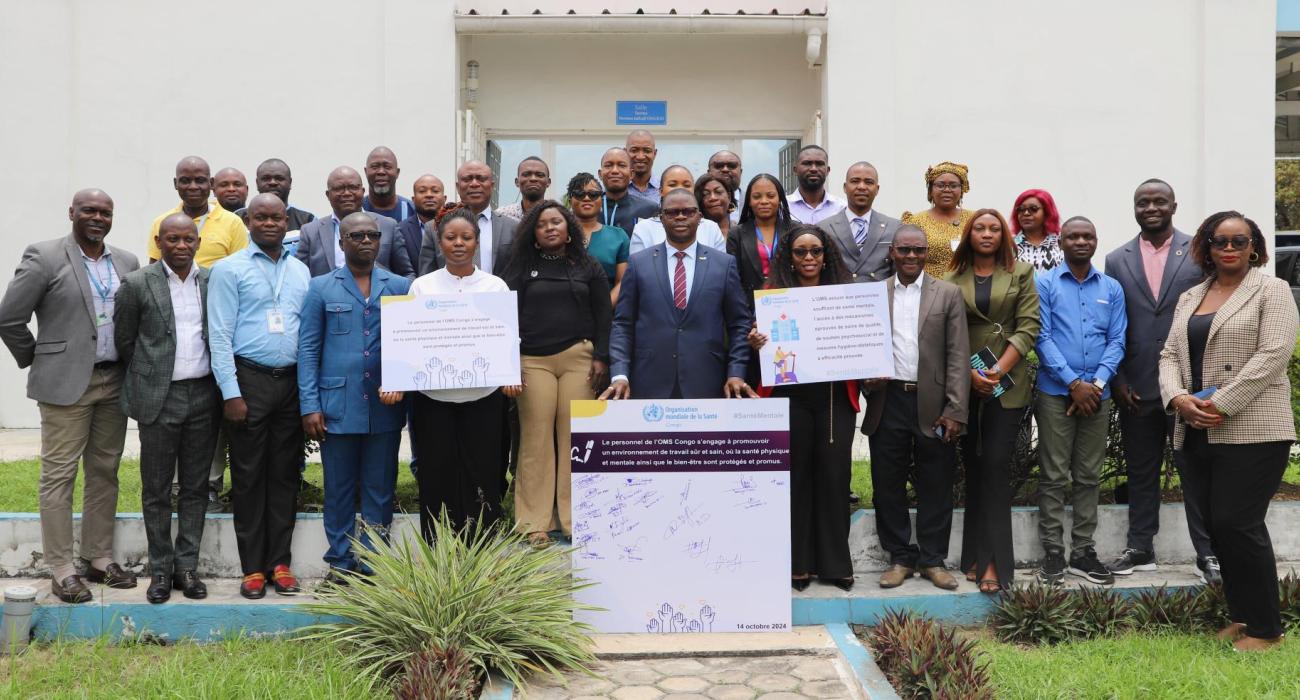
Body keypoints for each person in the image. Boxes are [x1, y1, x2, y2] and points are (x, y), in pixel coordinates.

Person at [1161, 211, 1296, 652]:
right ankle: (1242, 616)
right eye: (1221, 241)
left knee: (1239, 523)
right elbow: (1168, 355)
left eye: (1240, 241)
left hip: (1253, 427)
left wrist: (1218, 404)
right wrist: (1179, 399)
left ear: (1255, 245)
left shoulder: (1271, 289)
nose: (1231, 248)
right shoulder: (1190, 297)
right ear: (1207, 246)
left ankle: (1267, 630)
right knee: (1217, 528)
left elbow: (1273, 355)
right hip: (1195, 426)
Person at [0, 189, 140, 603]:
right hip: (65, 385)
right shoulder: (44, 256)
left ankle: (98, 558)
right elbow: (9, 318)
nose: (98, 217)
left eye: (105, 212)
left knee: (105, 471)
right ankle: (61, 568)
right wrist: (41, 358)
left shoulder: (126, 261)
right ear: (72, 213)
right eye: (89, 211)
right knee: (58, 477)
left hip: (114, 381)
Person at [1103, 179, 1215, 582]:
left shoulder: (1200, 253)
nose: (1150, 207)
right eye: (1142, 202)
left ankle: (1208, 553)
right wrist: (1118, 378)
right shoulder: (1117, 259)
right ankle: (1140, 548)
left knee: (1195, 469)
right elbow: (1113, 324)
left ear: (1174, 206)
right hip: (1137, 385)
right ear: (1134, 208)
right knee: (1140, 469)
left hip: (1188, 385)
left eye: (1159, 201)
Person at [207, 194, 311, 599]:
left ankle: (280, 563)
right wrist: (230, 392)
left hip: (290, 383)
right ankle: (252, 568)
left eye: (276, 217)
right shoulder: (229, 270)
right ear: (247, 221)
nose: (269, 223)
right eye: (260, 217)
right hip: (248, 381)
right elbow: (218, 335)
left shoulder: (301, 271)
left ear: (287, 221)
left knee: (285, 474)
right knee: (249, 476)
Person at [746, 224, 861, 591]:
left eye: (815, 251)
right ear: (789, 258)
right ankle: (797, 564)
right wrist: (756, 342)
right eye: (801, 252)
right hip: (790, 396)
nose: (809, 258)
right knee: (795, 481)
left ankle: (834, 564)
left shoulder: (844, 295)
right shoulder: (774, 297)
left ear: (826, 256)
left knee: (834, 478)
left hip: (833, 399)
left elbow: (861, 346)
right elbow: (764, 355)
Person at [298, 212, 410, 583]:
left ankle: (375, 563)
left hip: (384, 406)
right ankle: (341, 564)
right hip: (336, 406)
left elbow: (409, 349)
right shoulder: (321, 288)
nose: (365, 241)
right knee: (339, 489)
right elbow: (309, 350)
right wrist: (310, 404)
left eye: (372, 235)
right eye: (356, 235)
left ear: (380, 241)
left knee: (380, 487)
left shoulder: (398, 286)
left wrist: (403, 383)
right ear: (341, 242)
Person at [112, 214, 217, 603]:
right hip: (160, 397)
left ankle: (186, 568)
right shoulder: (138, 283)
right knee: (156, 489)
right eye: (172, 239)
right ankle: (160, 570)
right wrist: (149, 377)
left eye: (188, 239)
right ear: (159, 241)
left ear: (198, 242)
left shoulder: (211, 282)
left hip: (205, 396)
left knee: (195, 487)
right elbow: (125, 341)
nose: (181, 246)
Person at [860, 225, 969, 591]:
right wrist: (865, 379)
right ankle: (900, 557)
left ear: (926, 253)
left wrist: (956, 409)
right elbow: (857, 348)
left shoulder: (948, 294)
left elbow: (958, 355)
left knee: (936, 481)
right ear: (892, 252)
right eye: (903, 250)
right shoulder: (872, 294)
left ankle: (932, 560)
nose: (910, 256)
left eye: (917, 250)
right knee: (886, 483)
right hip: (886, 400)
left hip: (933, 403)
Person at [500, 201, 612, 547]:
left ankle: (576, 519)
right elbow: (503, 316)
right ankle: (534, 522)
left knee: (574, 440)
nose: (550, 228)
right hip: (532, 361)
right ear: (533, 233)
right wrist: (508, 361)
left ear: (569, 229)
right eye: (543, 224)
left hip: (580, 358)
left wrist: (602, 357)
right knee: (535, 439)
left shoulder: (588, 266)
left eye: (557, 222)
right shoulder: (519, 267)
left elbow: (604, 314)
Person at [946, 208, 1040, 594]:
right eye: (979, 228)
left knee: (997, 469)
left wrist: (998, 370)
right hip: (965, 383)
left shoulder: (1021, 274)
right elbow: (947, 333)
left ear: (1004, 236)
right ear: (969, 235)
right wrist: (969, 374)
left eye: (994, 229)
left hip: (1007, 383)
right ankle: (972, 556)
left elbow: (1029, 326)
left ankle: (993, 562)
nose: (987, 234)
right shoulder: (950, 279)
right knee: (974, 465)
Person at [409, 210, 519, 537]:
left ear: (477, 241)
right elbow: (410, 340)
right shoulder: (422, 286)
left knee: (482, 473)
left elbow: (508, 337)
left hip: (482, 398)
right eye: (450, 237)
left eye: (466, 238)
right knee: (435, 474)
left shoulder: (495, 287)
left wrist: (511, 374)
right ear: (439, 242)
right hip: (433, 399)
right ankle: (437, 549)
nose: (458, 243)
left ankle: (480, 548)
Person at [1032, 217, 1127, 586]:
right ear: (1062, 242)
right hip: (1057, 393)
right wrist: (1073, 383)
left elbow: (1118, 339)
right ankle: (1054, 552)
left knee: (1088, 475)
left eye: (1088, 236)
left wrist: (1097, 383)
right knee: (1054, 474)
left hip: (1097, 394)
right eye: (1074, 236)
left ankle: (1084, 551)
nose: (1081, 242)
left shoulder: (1112, 288)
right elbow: (1041, 336)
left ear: (1096, 240)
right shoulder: (1045, 284)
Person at [601, 189, 755, 401]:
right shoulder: (639, 263)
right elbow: (623, 324)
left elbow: (739, 324)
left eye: (688, 211)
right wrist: (620, 374)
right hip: (648, 380)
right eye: (672, 212)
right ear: (661, 218)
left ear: (699, 218)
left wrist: (736, 373)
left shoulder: (723, 264)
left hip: (707, 380)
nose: (680, 216)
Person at [296, 166, 415, 279]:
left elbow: (406, 274)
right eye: (339, 188)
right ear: (328, 195)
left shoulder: (388, 226)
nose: (347, 193)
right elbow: (300, 277)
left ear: (362, 191)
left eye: (353, 187)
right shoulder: (310, 231)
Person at [419, 160, 519, 276]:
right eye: (467, 179)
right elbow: (426, 276)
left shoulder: (512, 228)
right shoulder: (434, 228)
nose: (474, 184)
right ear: (457, 186)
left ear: (492, 185)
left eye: (481, 179)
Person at [147, 156, 249, 268]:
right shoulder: (162, 222)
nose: (193, 187)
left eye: (200, 180)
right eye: (185, 181)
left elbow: (241, 270)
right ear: (176, 183)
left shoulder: (233, 223)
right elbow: (154, 272)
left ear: (211, 183)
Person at [820, 161, 902, 283]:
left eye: (868, 182)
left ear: (877, 189)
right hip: (838, 299)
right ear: (845, 187)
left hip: (880, 299)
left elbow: (898, 274)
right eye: (855, 181)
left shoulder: (895, 228)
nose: (862, 187)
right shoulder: (824, 228)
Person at [728, 174, 794, 312]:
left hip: (791, 306)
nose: (764, 201)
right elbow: (733, 280)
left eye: (770, 196)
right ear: (749, 201)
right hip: (749, 311)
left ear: (780, 199)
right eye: (757, 197)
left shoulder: (796, 230)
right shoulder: (736, 234)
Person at [629, 165, 727, 254]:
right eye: (673, 185)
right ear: (661, 191)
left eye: (686, 185)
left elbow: (719, 267)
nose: (680, 189)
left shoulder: (710, 228)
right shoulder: (643, 229)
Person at [902, 161, 975, 278]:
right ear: (930, 190)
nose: (947, 190)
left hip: (968, 288)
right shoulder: (915, 221)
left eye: (953, 185)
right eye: (940, 185)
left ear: (961, 190)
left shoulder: (974, 219)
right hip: (930, 289)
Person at [566, 172, 630, 303]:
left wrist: (604, 309)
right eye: (579, 194)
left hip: (606, 315)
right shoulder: (558, 234)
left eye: (593, 194)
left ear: (601, 199)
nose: (587, 198)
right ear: (569, 200)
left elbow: (622, 283)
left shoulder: (619, 236)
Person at [234, 158, 316, 233]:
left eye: (279, 178)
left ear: (290, 182)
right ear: (257, 183)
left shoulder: (308, 220)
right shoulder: (237, 218)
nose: (272, 182)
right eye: (266, 178)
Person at [595, 148, 659, 239]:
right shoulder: (590, 209)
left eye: (621, 165)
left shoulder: (649, 209)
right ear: (600, 174)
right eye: (608, 165)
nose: (615, 171)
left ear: (631, 174)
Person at [396, 174, 447, 284]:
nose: (429, 195)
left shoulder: (454, 228)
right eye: (422, 191)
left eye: (435, 191)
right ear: (413, 199)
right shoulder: (400, 229)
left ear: (444, 199)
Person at [787, 146, 844, 224]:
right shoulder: (783, 207)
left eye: (819, 164)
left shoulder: (842, 208)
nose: (813, 169)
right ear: (795, 170)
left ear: (827, 170)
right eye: (807, 163)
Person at [1012, 189, 1063, 272]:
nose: (1026, 213)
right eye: (1021, 209)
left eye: (1033, 209)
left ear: (1047, 212)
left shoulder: (1061, 241)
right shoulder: (1009, 244)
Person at [361, 146, 416, 222]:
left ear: (397, 172)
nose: (381, 172)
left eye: (387, 167)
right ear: (366, 171)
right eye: (375, 167)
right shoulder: (357, 209)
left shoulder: (413, 211)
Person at [497, 157, 551, 221]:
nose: (533, 179)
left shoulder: (557, 216)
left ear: (548, 182)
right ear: (517, 182)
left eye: (539, 175)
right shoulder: (501, 215)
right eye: (526, 175)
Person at [625, 129, 660, 204]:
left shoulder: (664, 188)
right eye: (634, 150)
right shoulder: (613, 190)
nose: (640, 157)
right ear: (625, 152)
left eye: (647, 151)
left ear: (655, 154)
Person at [707, 150, 744, 220]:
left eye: (732, 166)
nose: (725, 169)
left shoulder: (752, 201)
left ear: (741, 172)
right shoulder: (698, 202)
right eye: (719, 166)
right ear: (709, 173)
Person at [696, 174, 734, 239]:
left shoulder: (743, 231)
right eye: (706, 194)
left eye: (718, 192)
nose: (713, 198)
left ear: (729, 197)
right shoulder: (694, 234)